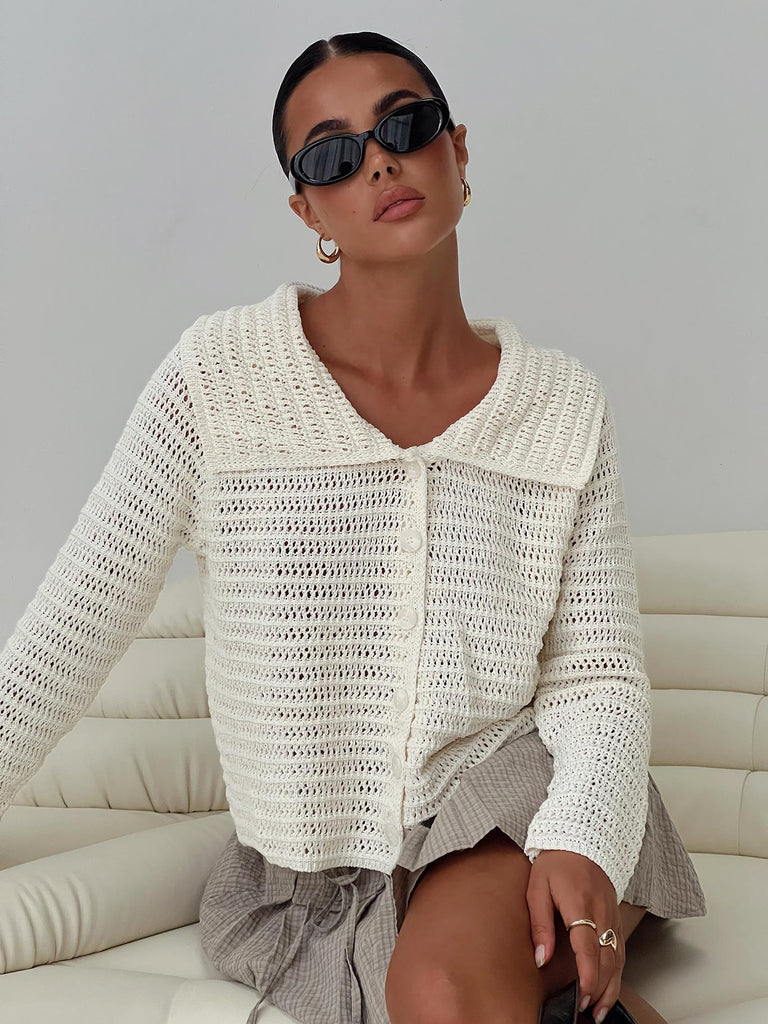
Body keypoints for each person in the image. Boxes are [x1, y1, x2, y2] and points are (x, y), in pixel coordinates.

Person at [0, 29, 706, 1024]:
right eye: (333, 153)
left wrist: (584, 832)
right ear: (308, 208)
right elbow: (72, 628)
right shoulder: (219, 380)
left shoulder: (560, 405)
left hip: (518, 798)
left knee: (442, 989)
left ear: (457, 151)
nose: (378, 161)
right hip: (314, 878)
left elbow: (596, 674)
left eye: (404, 126)